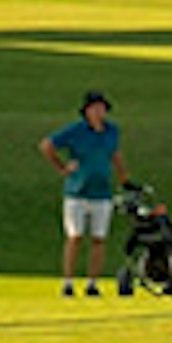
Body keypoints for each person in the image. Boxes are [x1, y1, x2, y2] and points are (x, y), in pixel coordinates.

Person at [42, 87, 127, 297]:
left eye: (102, 108)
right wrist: (62, 168)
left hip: (102, 192)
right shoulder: (76, 130)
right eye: (95, 108)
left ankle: (92, 283)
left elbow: (115, 154)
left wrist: (123, 177)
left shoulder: (112, 131)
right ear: (87, 111)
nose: (99, 112)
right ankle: (68, 282)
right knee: (75, 237)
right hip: (77, 192)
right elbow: (47, 145)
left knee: (99, 239)